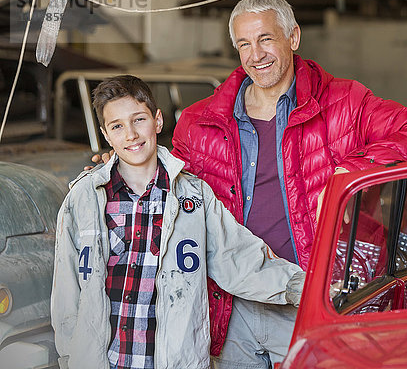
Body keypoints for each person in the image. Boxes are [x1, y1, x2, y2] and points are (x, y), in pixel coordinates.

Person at [170, 0, 407, 368]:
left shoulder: (345, 102)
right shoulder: (199, 122)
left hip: (312, 298)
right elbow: (170, 187)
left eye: (266, 39)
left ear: (293, 38)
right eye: (244, 44)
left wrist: (353, 169)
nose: (256, 55)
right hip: (232, 306)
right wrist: (121, 166)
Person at [52, 75, 305, 369]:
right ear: (106, 135)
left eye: (139, 120)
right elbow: (66, 292)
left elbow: (236, 256)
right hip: (104, 361)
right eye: (117, 126)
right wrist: (70, 357)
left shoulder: (193, 197)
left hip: (173, 361)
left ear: (157, 121)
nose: (131, 134)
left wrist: (300, 286)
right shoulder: (83, 198)